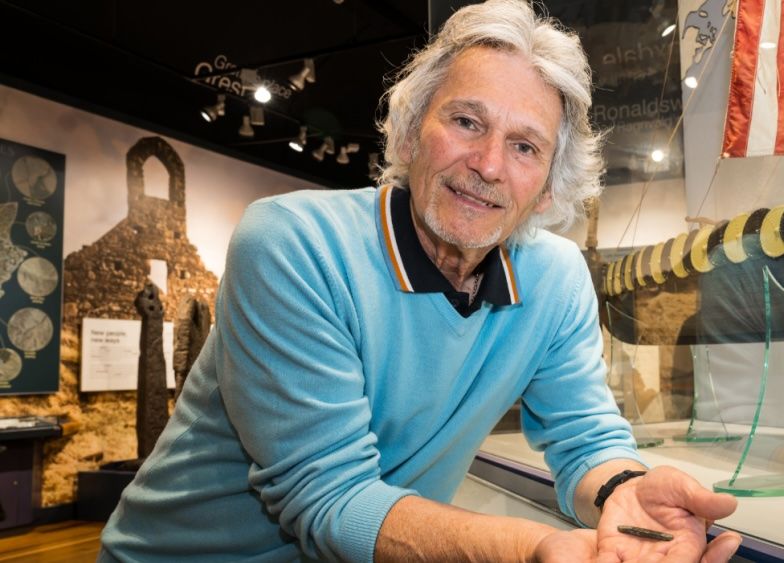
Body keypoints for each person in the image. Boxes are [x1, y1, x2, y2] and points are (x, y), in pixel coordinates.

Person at [99, 1, 741, 561]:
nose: (488, 164)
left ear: (548, 188)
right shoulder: (294, 242)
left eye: (525, 147)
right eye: (467, 121)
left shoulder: (557, 277)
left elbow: (585, 436)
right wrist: (533, 548)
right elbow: (327, 498)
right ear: (408, 134)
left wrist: (624, 493)